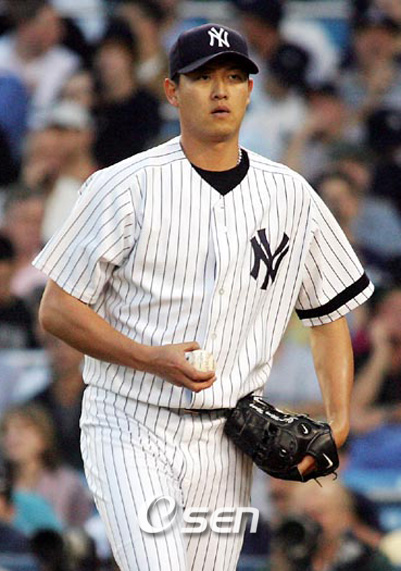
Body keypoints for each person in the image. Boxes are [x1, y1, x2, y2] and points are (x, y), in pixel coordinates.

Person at [33, 22, 374, 571]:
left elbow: (329, 314)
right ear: (173, 91)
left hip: (230, 437)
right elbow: (57, 309)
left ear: (250, 90)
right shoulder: (124, 186)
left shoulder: (291, 194)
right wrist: (149, 358)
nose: (221, 90)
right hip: (131, 420)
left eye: (234, 77)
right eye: (203, 77)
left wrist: (338, 422)